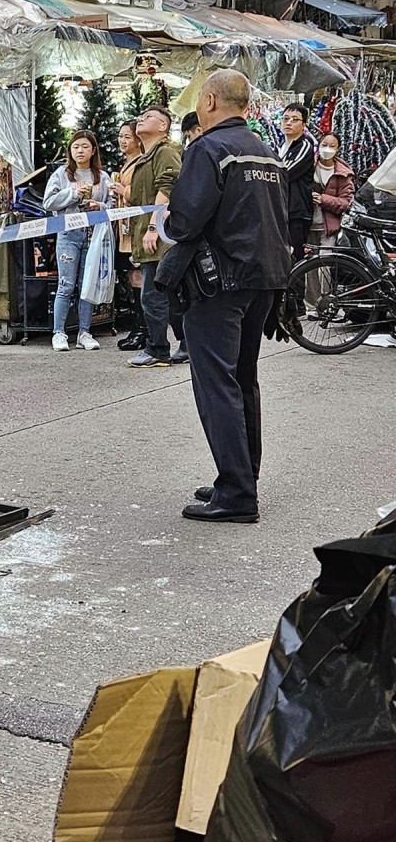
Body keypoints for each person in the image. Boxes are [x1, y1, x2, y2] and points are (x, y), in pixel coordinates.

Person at [157, 68, 290, 524]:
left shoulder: (208, 149)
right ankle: (241, 477)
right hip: (265, 280)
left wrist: (167, 225)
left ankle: (236, 493)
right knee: (242, 379)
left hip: (219, 284)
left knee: (217, 383)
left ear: (210, 101)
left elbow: (185, 220)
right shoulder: (265, 152)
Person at [43, 129, 110, 352]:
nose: (80, 151)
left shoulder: (103, 177)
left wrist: (98, 206)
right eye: (75, 147)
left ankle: (85, 331)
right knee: (66, 284)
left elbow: (113, 206)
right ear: (70, 151)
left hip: (94, 236)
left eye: (85, 147)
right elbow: (48, 202)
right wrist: (73, 194)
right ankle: (59, 332)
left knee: (87, 285)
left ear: (93, 151)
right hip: (68, 235)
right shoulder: (61, 174)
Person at [128, 106, 182, 367]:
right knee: (168, 295)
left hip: (160, 236)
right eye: (141, 116)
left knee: (152, 295)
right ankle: (185, 346)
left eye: (148, 117)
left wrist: (153, 227)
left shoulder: (166, 152)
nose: (141, 119)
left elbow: (168, 187)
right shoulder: (146, 156)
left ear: (163, 126)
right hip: (149, 234)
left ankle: (158, 349)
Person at [306, 133, 354, 316]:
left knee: (325, 265)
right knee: (309, 267)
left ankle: (327, 302)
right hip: (308, 224)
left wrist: (323, 199)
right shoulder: (308, 166)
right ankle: (313, 305)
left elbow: (345, 202)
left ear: (338, 149)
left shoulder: (342, 173)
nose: (327, 148)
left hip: (329, 227)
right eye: (324, 144)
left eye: (331, 146)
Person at [110, 120, 145, 353]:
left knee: (139, 277)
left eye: (127, 137)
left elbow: (145, 194)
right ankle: (138, 326)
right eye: (120, 136)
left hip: (137, 229)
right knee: (131, 277)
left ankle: (144, 329)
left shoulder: (142, 163)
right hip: (124, 230)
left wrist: (124, 192)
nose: (123, 141)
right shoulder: (125, 164)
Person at [278, 103, 316, 262]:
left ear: (303, 125)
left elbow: (285, 173)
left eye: (294, 120)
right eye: (286, 119)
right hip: (284, 210)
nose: (288, 123)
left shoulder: (304, 146)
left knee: (295, 258)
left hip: (297, 212)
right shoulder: (283, 146)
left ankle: (295, 288)